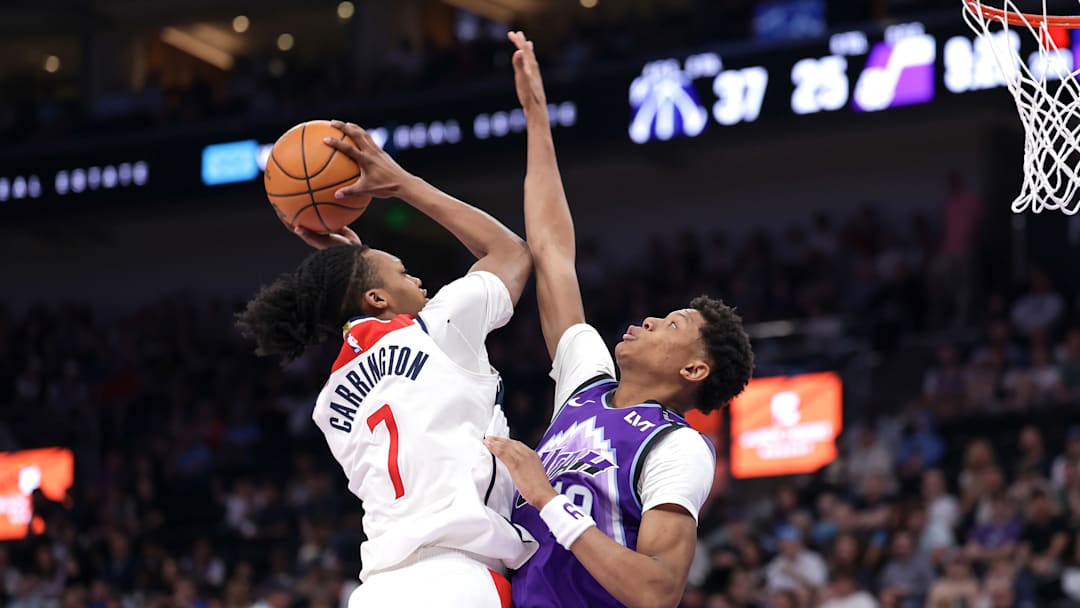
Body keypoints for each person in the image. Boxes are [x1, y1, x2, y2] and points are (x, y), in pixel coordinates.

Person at [483, 32, 754, 608]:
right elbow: (553, 252)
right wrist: (537, 116)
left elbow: (658, 591)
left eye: (673, 325)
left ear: (694, 368)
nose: (650, 320)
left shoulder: (677, 449)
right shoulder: (585, 386)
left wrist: (546, 499)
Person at [236, 120, 535, 607]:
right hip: (459, 579)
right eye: (401, 271)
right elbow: (511, 253)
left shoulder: (329, 399)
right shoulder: (437, 326)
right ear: (375, 297)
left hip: (376, 588)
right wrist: (402, 183)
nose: (416, 277)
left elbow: (383, 356)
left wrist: (355, 263)